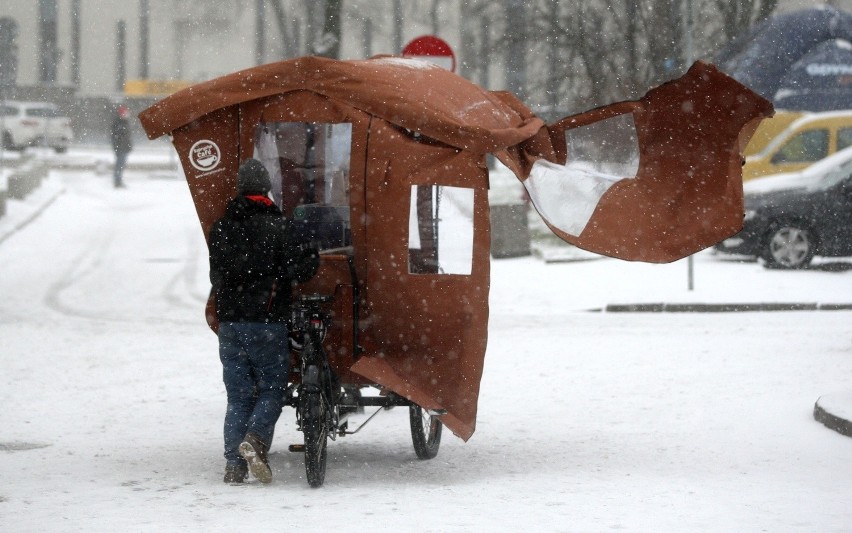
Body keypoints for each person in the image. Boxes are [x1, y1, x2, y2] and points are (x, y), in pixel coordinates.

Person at [208, 158, 319, 484]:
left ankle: (234, 466)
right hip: (268, 321)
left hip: (230, 323)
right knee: (272, 388)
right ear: (266, 187)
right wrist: (310, 253)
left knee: (239, 395)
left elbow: (217, 274)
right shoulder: (279, 226)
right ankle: (255, 439)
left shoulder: (221, 227)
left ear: (240, 187)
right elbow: (299, 270)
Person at [110, 105, 133, 188]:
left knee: (121, 165)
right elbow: (118, 137)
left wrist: (129, 146)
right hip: (121, 148)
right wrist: (118, 147)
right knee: (120, 165)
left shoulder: (124, 122)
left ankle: (118, 180)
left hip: (123, 147)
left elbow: (126, 137)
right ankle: (117, 181)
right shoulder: (119, 123)